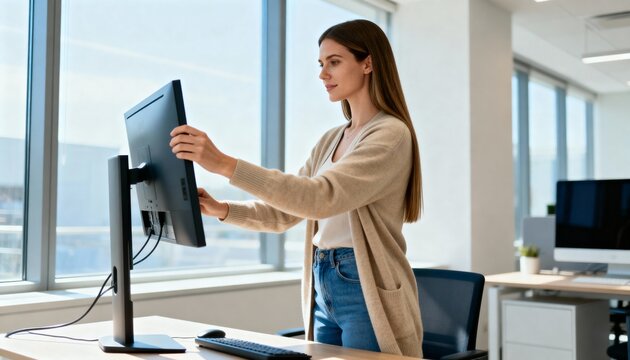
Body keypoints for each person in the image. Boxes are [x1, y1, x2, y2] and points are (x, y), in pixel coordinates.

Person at [169, 19, 423, 357]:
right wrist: (223, 210)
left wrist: (224, 164)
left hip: (363, 282)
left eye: (334, 62)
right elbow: (286, 211)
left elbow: (320, 198)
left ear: (368, 63)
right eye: (321, 64)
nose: (323, 74)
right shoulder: (331, 139)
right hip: (323, 277)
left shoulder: (390, 135)